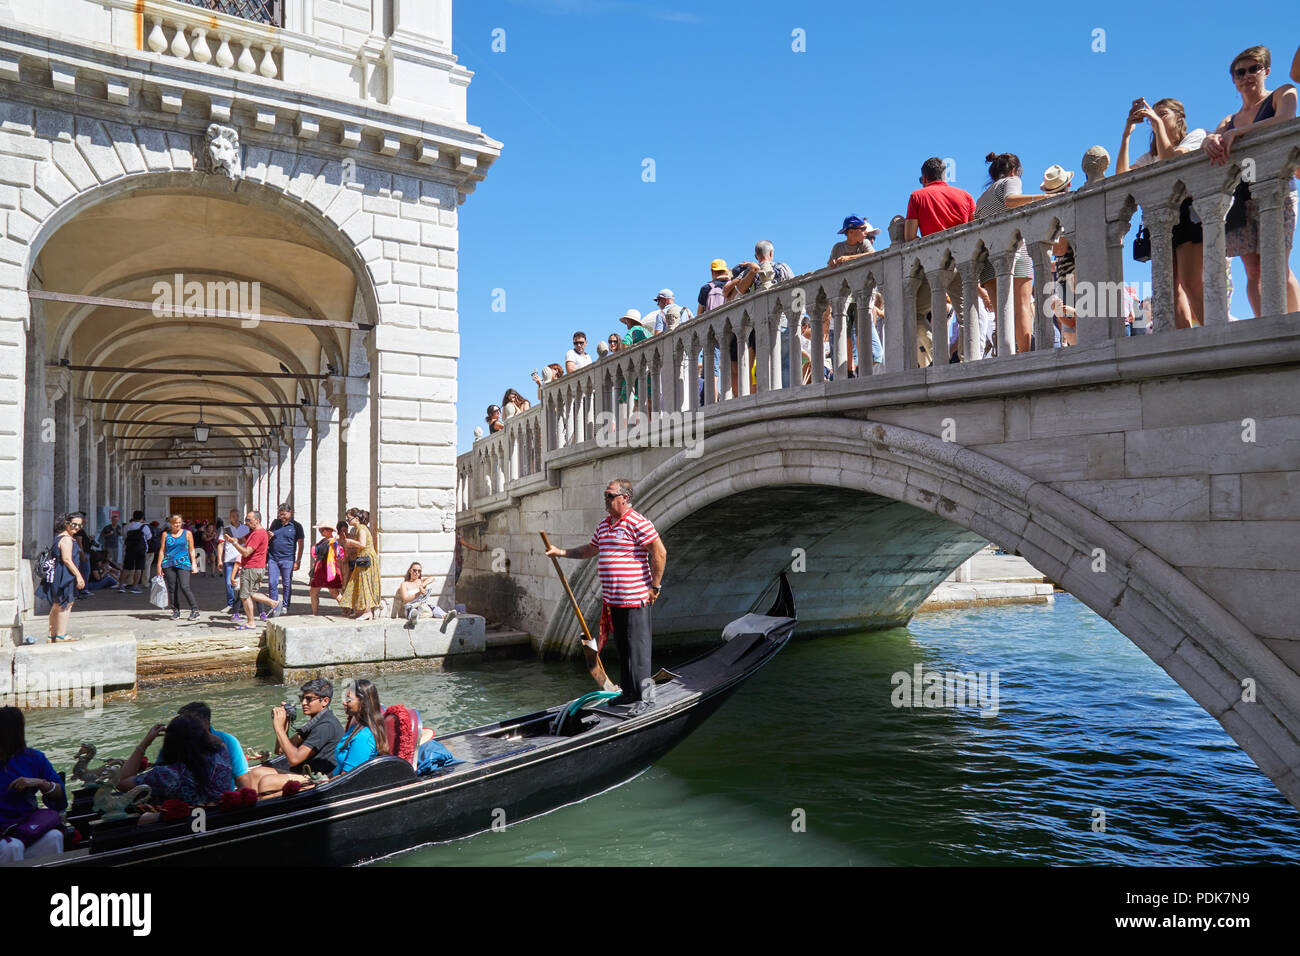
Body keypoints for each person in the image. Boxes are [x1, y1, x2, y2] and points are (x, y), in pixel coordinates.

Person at [546, 479, 667, 714]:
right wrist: (560, 552)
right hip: (614, 601)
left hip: (635, 599)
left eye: (610, 496)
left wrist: (655, 587)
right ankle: (629, 693)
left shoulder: (638, 522)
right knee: (624, 649)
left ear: (625, 498)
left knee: (638, 651)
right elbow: (589, 550)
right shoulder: (604, 526)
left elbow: (659, 552)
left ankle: (646, 700)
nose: (606, 500)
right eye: (605, 495)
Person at [1203, 45, 1300, 316]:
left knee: (1277, 263)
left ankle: (1293, 326)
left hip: (1276, 189)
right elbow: (1215, 136)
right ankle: (1264, 326)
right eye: (1240, 72)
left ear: (1266, 71)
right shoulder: (1229, 119)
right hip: (1241, 196)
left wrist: (1240, 133)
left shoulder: (1282, 93)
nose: (1247, 76)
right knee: (1253, 270)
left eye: (1253, 69)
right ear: (1233, 79)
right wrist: (1210, 139)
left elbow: (1286, 119)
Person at [1117, 97, 1208, 328]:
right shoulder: (1150, 157)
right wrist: (1127, 132)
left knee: (1190, 283)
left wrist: (1156, 125)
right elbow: (1121, 177)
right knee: (1168, 289)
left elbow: (1173, 162)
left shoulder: (1194, 136)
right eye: (1153, 114)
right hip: (1159, 222)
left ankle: (1218, 335)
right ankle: (1185, 346)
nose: (1154, 117)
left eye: (1162, 113)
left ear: (1179, 117)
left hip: (1187, 215)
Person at [974, 152, 1052, 354]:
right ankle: (1025, 355)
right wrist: (1045, 198)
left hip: (990, 257)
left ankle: (1005, 355)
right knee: (1022, 307)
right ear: (1014, 170)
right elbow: (1011, 200)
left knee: (1002, 313)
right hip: (1015, 250)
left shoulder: (982, 197)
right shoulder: (1011, 180)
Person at [116, 714, 234, 805]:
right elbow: (215, 741)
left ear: (169, 744)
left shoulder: (165, 775)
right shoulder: (221, 754)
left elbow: (121, 783)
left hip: (183, 827)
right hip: (218, 816)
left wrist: (146, 742)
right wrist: (196, 728)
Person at [0, 706, 68, 863]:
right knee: (12, 847)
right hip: (5, 834)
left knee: (54, 836)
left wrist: (39, 783)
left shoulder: (34, 758)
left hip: (24, 826)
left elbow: (60, 797)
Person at [176, 702, 256, 791]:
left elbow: (242, 779)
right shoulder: (175, 742)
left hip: (222, 799)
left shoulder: (228, 741)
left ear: (205, 723)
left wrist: (244, 800)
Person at [224, 510, 280, 629]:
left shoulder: (258, 534)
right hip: (256, 567)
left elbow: (245, 552)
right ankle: (274, 603)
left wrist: (234, 544)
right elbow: (243, 540)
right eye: (246, 520)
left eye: (249, 520)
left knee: (245, 596)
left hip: (251, 567)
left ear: (257, 520)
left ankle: (251, 622)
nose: (246, 522)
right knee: (251, 593)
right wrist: (232, 539)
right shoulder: (255, 532)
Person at [38, 512, 83, 643]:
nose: (77, 527)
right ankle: (61, 634)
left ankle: (51, 634)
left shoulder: (58, 537)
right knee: (66, 603)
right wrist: (79, 576)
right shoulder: (67, 539)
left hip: (56, 574)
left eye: (80, 525)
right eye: (74, 524)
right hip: (64, 574)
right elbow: (67, 559)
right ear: (66, 523)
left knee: (57, 604)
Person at [905, 157, 976, 241]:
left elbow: (909, 237)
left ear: (924, 179)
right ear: (944, 177)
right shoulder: (966, 196)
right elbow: (975, 227)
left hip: (934, 251)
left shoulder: (917, 196)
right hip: (964, 248)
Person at [332, 680, 388, 776]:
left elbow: (347, 777)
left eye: (348, 699)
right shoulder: (355, 727)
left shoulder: (364, 737)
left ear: (363, 702)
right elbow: (339, 769)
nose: (344, 702)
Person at [338, 507, 381, 620]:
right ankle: (360, 610)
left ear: (356, 518)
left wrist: (351, 542)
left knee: (364, 584)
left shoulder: (361, 528)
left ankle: (368, 611)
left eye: (349, 519)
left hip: (366, 558)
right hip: (362, 557)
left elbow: (362, 544)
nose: (348, 521)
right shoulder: (359, 529)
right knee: (357, 583)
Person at [155, 513, 199, 621]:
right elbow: (162, 550)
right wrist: (159, 566)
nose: (178, 525)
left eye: (180, 522)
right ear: (171, 524)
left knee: (185, 586)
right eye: (175, 523)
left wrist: (194, 563)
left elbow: (192, 549)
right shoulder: (166, 534)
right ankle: (175, 611)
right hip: (168, 563)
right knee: (172, 588)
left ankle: (195, 610)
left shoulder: (187, 533)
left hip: (184, 563)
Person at [266, 503, 305, 615]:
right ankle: (274, 605)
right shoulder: (275, 523)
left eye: (284, 514)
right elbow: (268, 539)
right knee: (272, 582)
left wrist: (298, 560)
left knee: (286, 583)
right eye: (280, 514)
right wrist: (269, 536)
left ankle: (285, 605)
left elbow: (301, 544)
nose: (282, 516)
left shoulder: (296, 526)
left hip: (288, 559)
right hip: (273, 558)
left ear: (290, 512)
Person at [308, 523, 346, 614]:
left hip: (327, 569)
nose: (320, 531)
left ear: (329, 530)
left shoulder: (334, 541)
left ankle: (346, 610)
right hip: (320, 569)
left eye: (322, 530)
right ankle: (315, 613)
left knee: (333, 592)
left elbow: (338, 554)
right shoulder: (324, 541)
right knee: (315, 591)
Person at [220, 508, 249, 615]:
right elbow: (221, 544)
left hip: (242, 559)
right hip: (229, 559)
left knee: (242, 583)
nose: (235, 518)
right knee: (229, 583)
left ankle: (240, 604)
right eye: (233, 516)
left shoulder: (246, 528)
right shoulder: (226, 529)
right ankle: (230, 603)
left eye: (237, 516)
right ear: (230, 517)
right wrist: (219, 559)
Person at [120, 509, 151, 593]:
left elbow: (123, 536)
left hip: (129, 549)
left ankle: (121, 586)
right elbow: (149, 537)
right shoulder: (144, 527)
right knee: (139, 568)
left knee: (126, 567)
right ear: (142, 517)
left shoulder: (127, 526)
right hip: (140, 550)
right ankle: (135, 586)